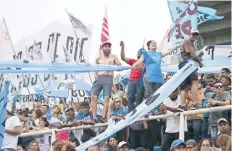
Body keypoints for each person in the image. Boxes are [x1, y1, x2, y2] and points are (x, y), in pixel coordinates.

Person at [91, 41, 121, 122]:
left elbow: (119, 65)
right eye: (105, 46)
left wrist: (114, 64)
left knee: (106, 97)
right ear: (102, 48)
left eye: (109, 46)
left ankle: (103, 116)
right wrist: (96, 76)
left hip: (108, 77)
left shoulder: (113, 57)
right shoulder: (98, 58)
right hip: (99, 77)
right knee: (93, 97)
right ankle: (94, 117)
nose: (107, 48)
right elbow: (95, 68)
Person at [178, 28, 204, 110]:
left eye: (196, 34)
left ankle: (182, 105)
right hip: (188, 64)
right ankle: (196, 102)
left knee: (186, 86)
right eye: (193, 34)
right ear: (189, 34)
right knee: (195, 81)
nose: (195, 36)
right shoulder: (187, 41)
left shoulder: (190, 43)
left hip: (184, 64)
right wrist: (199, 62)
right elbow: (192, 55)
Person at [120, 41, 144, 112]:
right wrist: (122, 48)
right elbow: (123, 57)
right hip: (132, 81)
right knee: (130, 98)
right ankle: (130, 113)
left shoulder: (146, 64)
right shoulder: (134, 61)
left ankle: (137, 113)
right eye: (139, 53)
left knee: (139, 98)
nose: (140, 55)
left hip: (140, 82)